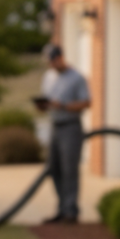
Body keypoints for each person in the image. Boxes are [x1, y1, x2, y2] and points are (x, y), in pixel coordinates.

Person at [37, 43, 91, 223]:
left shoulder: (77, 78)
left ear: (60, 58)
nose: (50, 65)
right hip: (54, 125)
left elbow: (86, 102)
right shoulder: (49, 77)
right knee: (54, 168)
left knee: (69, 169)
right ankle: (62, 207)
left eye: (52, 61)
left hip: (71, 126)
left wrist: (64, 106)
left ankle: (71, 211)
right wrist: (44, 106)